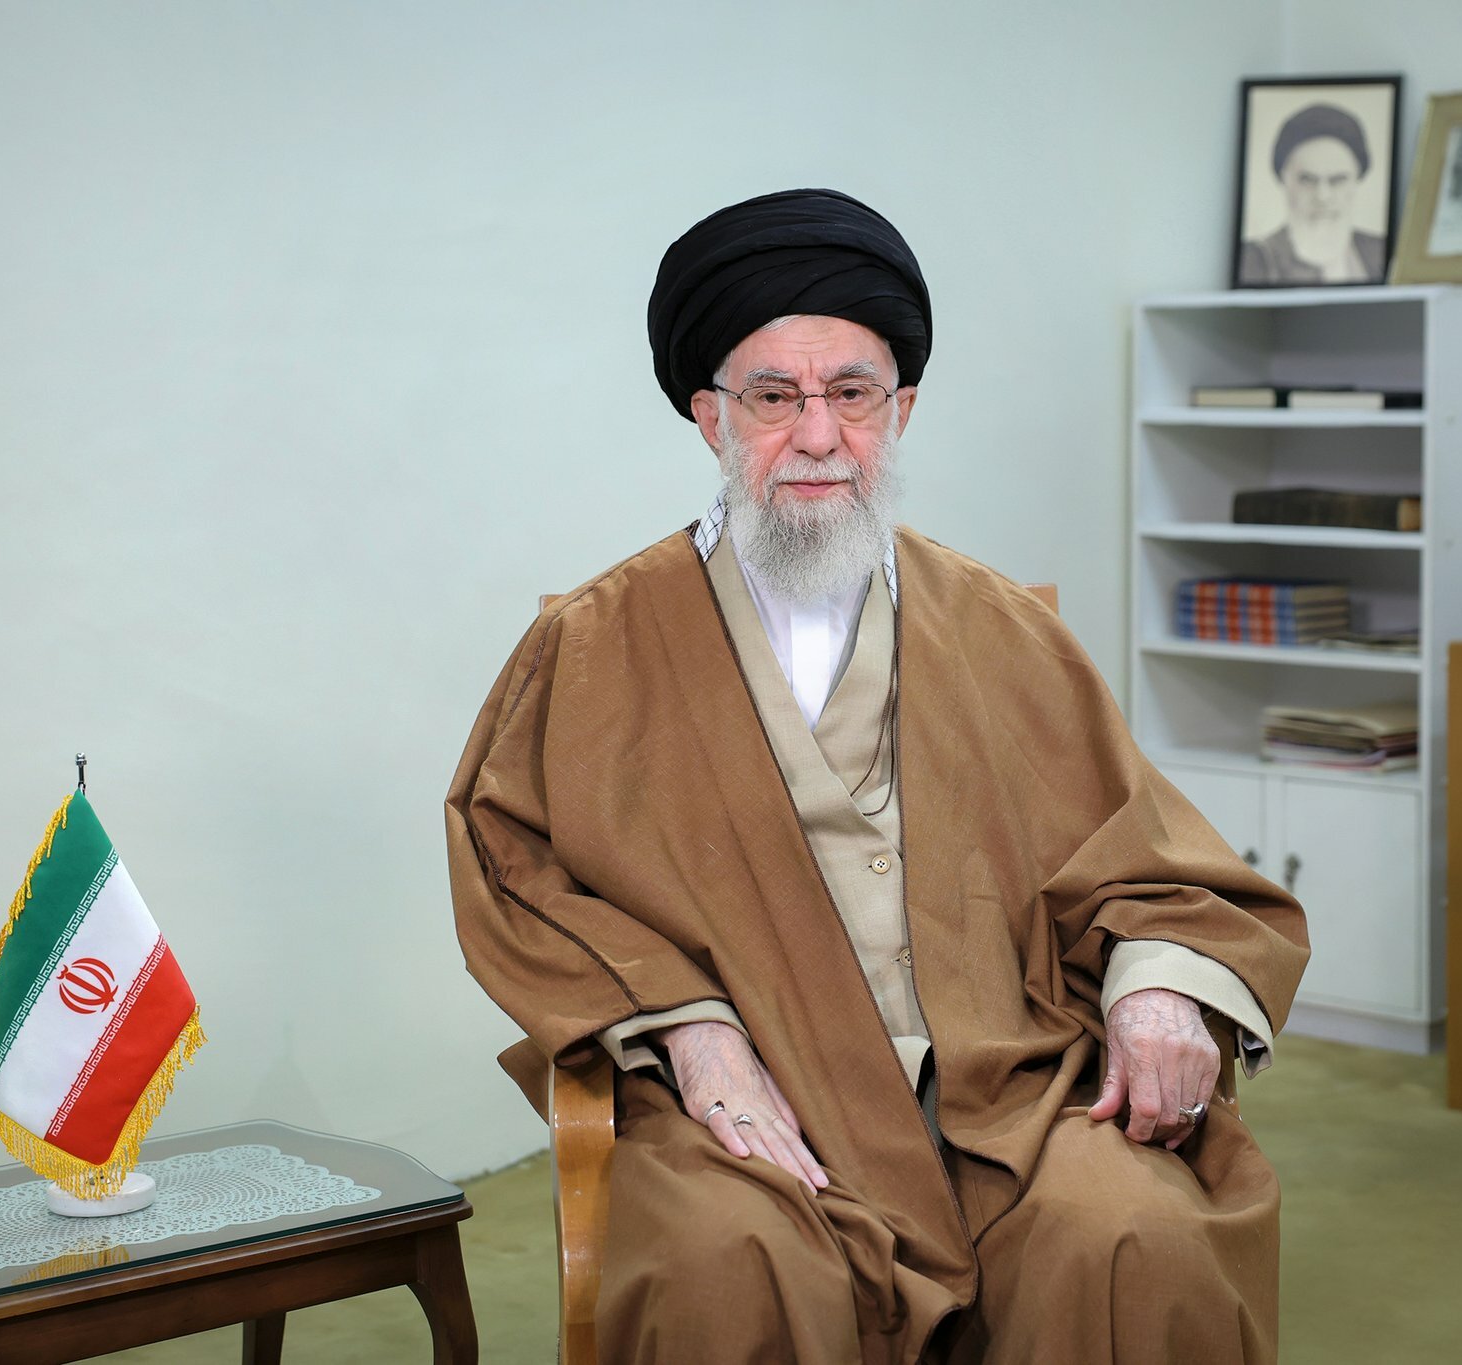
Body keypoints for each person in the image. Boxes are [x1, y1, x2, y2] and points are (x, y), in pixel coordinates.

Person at [447, 188, 1310, 1364]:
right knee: (724, 1265)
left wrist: (1154, 992)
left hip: (1012, 1084)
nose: (816, 436)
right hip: (754, 1097)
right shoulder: (594, 644)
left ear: (898, 410)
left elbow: (1152, 865)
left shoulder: (1006, 630)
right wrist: (693, 1036)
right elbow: (514, 869)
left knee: (1130, 1238)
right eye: (773, 398)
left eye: (850, 394)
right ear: (709, 417)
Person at [1238, 102, 1386, 285]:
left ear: (1357, 181)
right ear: (1283, 180)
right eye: (1307, 180)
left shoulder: (1380, 252)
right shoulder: (1253, 260)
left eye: (1338, 180)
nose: (1323, 196)